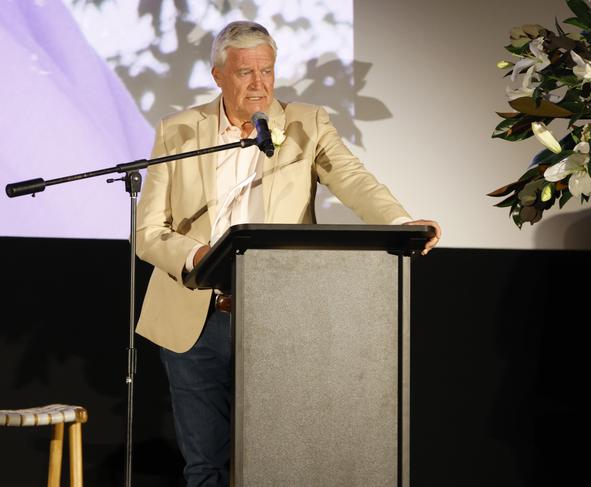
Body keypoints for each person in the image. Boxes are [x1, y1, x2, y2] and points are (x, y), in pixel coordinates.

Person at [135, 20, 441, 487]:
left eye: (267, 71)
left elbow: (352, 178)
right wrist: (198, 255)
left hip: (278, 318)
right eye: (244, 73)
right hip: (192, 319)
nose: (259, 84)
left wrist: (401, 222)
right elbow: (148, 232)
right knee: (204, 467)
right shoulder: (177, 130)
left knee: (279, 459)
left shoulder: (305, 124)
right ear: (219, 75)